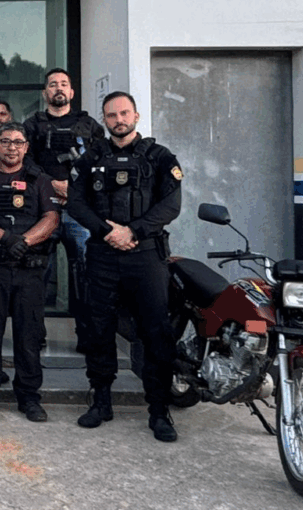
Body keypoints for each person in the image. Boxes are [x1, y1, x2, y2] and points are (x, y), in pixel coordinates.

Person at [67, 91, 183, 442]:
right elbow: (76, 203)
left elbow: (171, 205)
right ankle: (101, 401)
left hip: (146, 255)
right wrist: (108, 232)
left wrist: (132, 231)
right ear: (104, 120)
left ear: (136, 115)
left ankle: (159, 411)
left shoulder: (160, 157)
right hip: (103, 255)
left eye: (124, 113)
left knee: (155, 332)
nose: (118, 120)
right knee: (98, 329)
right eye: (111, 115)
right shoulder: (90, 158)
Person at [0, 122, 59, 422]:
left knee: (29, 336)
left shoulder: (39, 179)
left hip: (28, 270)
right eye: (5, 141)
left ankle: (29, 398)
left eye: (18, 142)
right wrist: (6, 239)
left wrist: (25, 242)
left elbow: (51, 217)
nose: (11, 147)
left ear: (26, 147)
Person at [23, 68, 105, 351]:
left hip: (79, 212)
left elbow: (101, 164)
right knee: (37, 274)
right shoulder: (32, 125)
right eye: (53, 84)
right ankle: (34, 335)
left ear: (71, 92)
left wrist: (76, 190)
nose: (58, 88)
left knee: (85, 274)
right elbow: (25, 163)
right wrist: (53, 184)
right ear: (45, 92)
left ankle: (87, 336)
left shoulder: (90, 125)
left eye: (63, 84)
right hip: (44, 210)